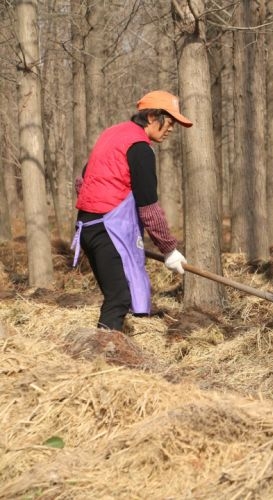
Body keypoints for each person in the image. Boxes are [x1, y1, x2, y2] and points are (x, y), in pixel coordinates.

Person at [71, 90, 192, 331]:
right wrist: (169, 249)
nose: (171, 129)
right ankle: (102, 357)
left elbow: (82, 180)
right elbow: (148, 206)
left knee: (117, 295)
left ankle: (108, 349)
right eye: (169, 122)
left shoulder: (112, 135)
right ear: (151, 117)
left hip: (87, 228)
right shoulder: (139, 148)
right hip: (106, 231)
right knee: (119, 299)